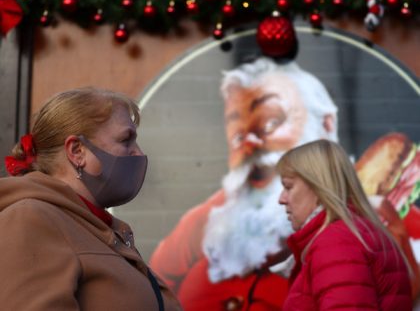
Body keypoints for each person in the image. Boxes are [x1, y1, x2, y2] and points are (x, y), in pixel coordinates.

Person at [150, 57, 339, 310]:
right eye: (239, 134)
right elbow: (155, 285)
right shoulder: (208, 219)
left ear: (326, 126)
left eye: (271, 123)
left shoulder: (372, 224)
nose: (250, 143)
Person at [0, 87, 182, 310]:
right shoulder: (31, 219)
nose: (138, 153)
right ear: (77, 151)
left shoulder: (96, 227)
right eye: (126, 140)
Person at [277, 139, 412, 310]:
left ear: (319, 187)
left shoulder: (336, 242)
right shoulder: (355, 233)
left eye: (288, 187)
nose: (281, 199)